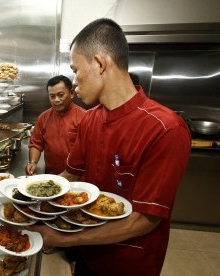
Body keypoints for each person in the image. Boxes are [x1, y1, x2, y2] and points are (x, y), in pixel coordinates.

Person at [28, 18, 191, 275]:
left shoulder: (165, 128)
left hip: (129, 262)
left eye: (76, 69)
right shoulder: (90, 119)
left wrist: (63, 239)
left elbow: (144, 220)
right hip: (89, 252)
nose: (75, 82)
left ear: (100, 63)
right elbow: (69, 175)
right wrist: (29, 198)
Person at [25, 75, 86, 175]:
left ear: (71, 94)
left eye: (60, 95)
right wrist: (32, 162)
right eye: (52, 96)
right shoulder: (43, 118)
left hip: (77, 177)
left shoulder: (84, 117)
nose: (56, 100)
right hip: (52, 176)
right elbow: (36, 144)